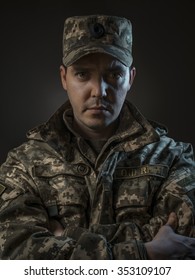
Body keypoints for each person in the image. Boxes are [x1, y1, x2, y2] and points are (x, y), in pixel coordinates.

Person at [0, 14, 195, 260]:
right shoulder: (24, 164)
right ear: (64, 78)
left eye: (114, 75)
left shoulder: (173, 158)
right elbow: (14, 254)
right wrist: (143, 252)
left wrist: (64, 236)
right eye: (82, 74)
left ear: (130, 79)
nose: (99, 91)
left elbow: (184, 240)